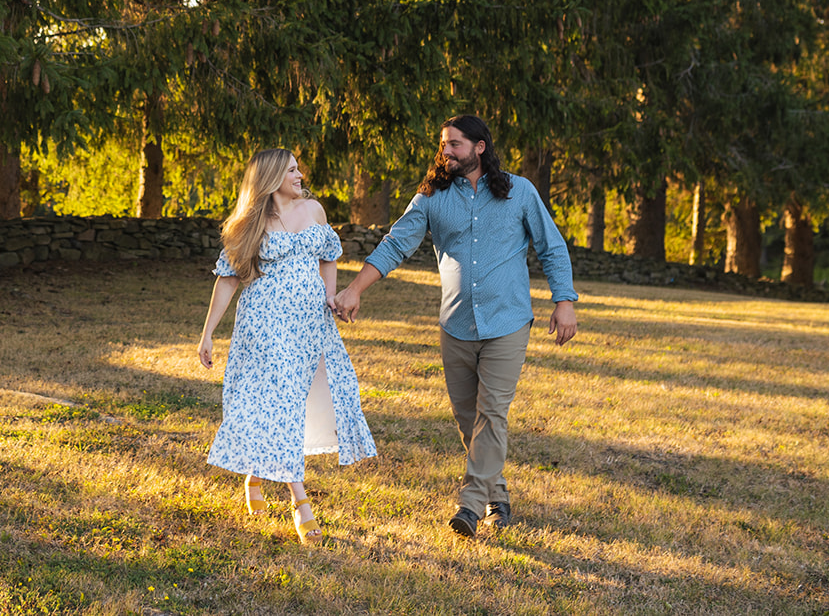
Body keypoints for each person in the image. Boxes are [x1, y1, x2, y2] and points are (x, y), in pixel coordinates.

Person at [331, 115, 577, 538]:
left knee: (492, 413)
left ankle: (470, 506)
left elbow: (551, 246)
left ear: (480, 148)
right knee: (469, 419)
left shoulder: (519, 192)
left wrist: (565, 301)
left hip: (508, 321)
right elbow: (396, 244)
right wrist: (355, 288)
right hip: (457, 324)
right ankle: (497, 496)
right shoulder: (430, 197)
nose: (446, 152)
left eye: (456, 145)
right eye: (444, 144)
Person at [198, 148, 377, 545]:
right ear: (272, 177)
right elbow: (227, 280)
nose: (300, 174)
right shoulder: (248, 224)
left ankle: (255, 477)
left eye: (299, 168)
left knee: (291, 402)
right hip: (265, 323)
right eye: (292, 169)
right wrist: (208, 332)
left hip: (310, 322)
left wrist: (329, 297)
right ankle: (302, 504)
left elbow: (329, 256)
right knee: (280, 400)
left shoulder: (314, 210)